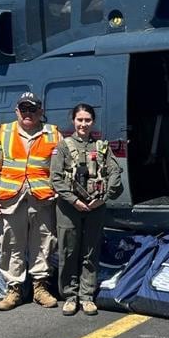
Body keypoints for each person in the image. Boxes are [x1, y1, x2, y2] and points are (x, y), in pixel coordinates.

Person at [0, 91, 63, 311]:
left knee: (44, 244)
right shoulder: (3, 132)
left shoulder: (53, 134)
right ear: (16, 111)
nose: (28, 113)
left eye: (32, 109)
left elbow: (64, 167)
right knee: (10, 245)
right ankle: (13, 289)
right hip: (11, 200)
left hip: (42, 200)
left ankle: (40, 288)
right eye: (23, 109)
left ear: (40, 111)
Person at [50, 103, 123, 315]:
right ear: (73, 120)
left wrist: (104, 198)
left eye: (87, 120)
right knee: (68, 251)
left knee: (91, 250)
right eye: (80, 120)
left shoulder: (101, 147)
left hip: (95, 207)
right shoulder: (63, 146)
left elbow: (115, 173)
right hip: (69, 208)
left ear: (93, 122)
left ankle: (87, 296)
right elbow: (55, 178)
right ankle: (69, 295)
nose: (83, 124)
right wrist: (74, 200)